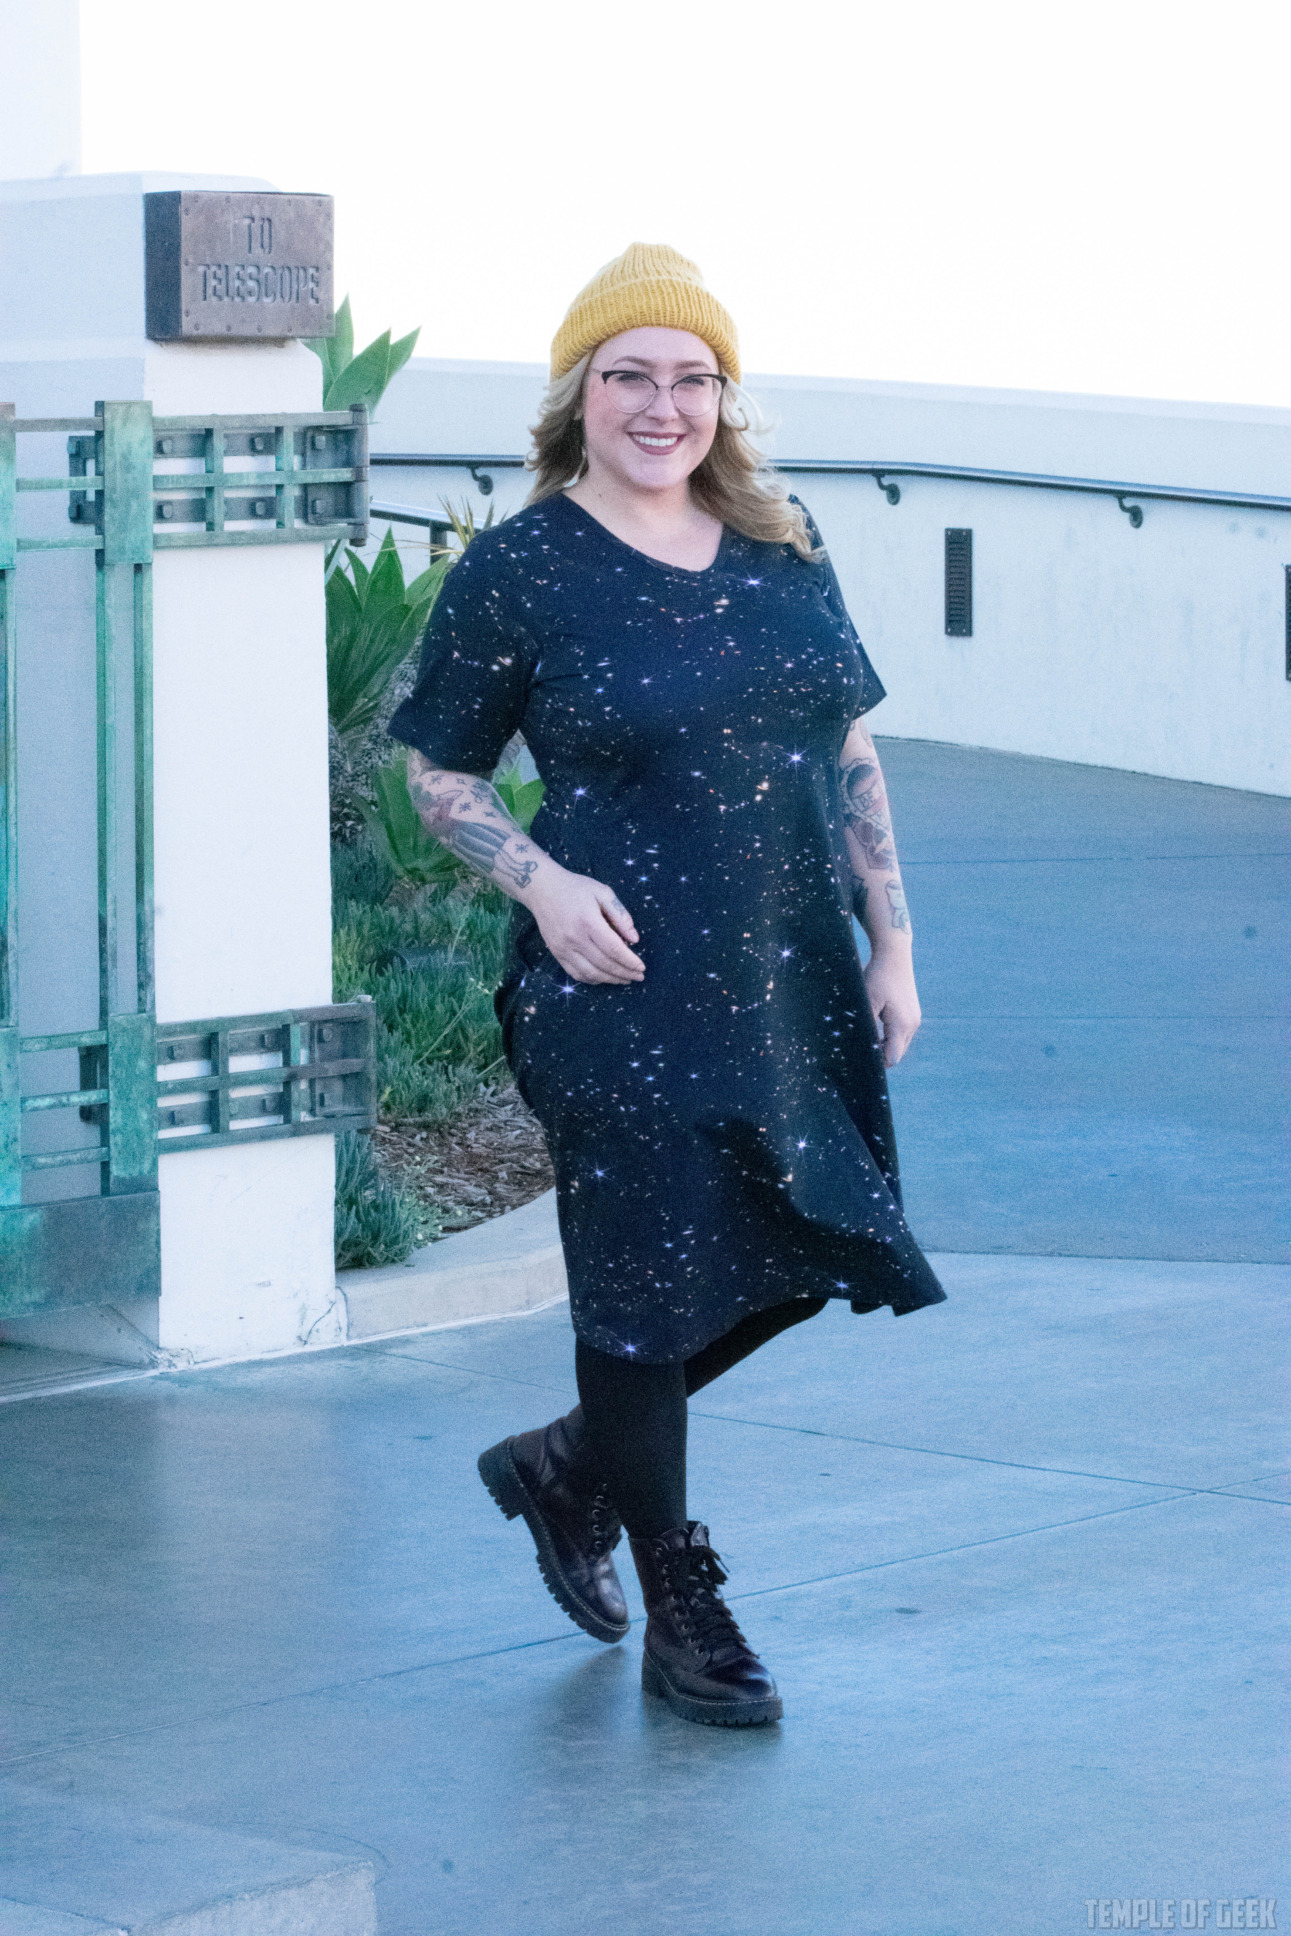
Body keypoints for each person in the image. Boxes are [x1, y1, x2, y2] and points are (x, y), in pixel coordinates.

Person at [387, 243, 946, 1729]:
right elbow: (435, 765)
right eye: (630, 374)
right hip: (615, 976)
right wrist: (541, 882)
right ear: (581, 396)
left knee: (822, 1235)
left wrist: (893, 939)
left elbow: (848, 749)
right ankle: (680, 1595)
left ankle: (573, 1462)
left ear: (724, 399)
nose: (664, 404)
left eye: (692, 377)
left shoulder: (781, 545)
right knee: (640, 1286)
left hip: (789, 976)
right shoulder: (523, 569)